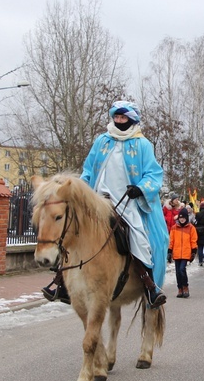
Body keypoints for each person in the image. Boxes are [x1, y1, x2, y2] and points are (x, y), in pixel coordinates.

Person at [43, 101, 167, 308]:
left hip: (127, 201)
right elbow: (88, 170)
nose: (118, 121)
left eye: (123, 118)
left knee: (139, 238)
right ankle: (61, 282)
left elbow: (154, 174)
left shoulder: (143, 144)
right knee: (71, 230)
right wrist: (80, 189)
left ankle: (149, 285)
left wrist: (141, 188)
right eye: (116, 117)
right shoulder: (102, 141)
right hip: (98, 199)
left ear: (132, 120)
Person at [168, 208, 197, 298]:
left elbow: (193, 240)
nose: (182, 219)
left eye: (183, 218)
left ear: (186, 218)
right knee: (177, 272)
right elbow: (171, 240)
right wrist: (169, 251)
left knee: (181, 270)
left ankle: (185, 287)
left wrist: (193, 251)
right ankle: (179, 288)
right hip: (176, 252)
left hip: (185, 252)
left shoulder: (191, 228)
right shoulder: (174, 228)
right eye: (180, 218)